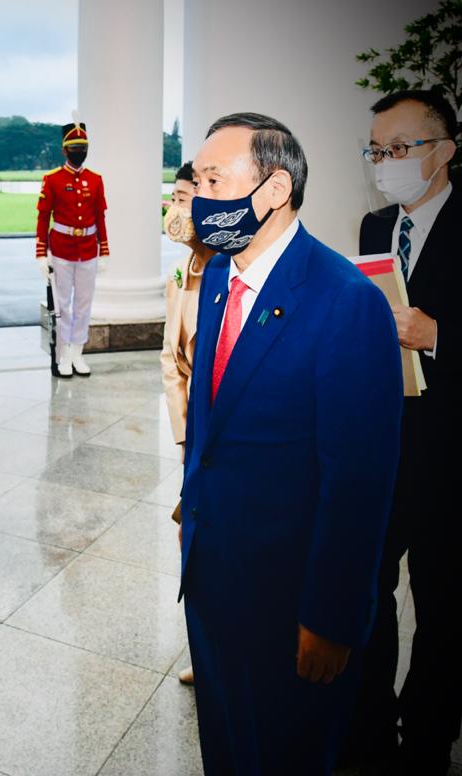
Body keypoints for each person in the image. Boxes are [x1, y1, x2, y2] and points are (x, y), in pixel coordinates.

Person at [179, 113, 403, 775]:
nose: (195, 194)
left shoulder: (346, 302)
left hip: (290, 598)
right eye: (196, 179)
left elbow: (359, 481)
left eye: (213, 179)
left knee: (287, 752)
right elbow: (211, 424)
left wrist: (331, 617)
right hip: (214, 576)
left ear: (273, 190)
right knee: (227, 742)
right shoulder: (220, 275)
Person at [343, 89, 460, 775]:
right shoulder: (372, 227)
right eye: (377, 151)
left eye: (399, 149)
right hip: (381, 442)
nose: (385, 162)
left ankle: (425, 739)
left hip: (450, 450)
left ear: (444, 152)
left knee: (445, 603)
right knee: (367, 589)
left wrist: (439, 335)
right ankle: (366, 731)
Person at [160, 160, 217, 688]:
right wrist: (183, 434)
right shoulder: (180, 272)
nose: (177, 210)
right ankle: (206, 646)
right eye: (174, 198)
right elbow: (169, 362)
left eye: (186, 198)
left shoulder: (227, 270)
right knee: (191, 538)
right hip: (195, 434)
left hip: (229, 432)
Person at [35, 117, 110, 377]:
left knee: (83, 305)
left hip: (88, 249)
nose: (80, 152)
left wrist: (105, 250)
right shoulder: (52, 179)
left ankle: (78, 353)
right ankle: (64, 354)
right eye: (75, 147)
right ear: (65, 150)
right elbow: (43, 218)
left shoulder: (95, 179)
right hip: (62, 250)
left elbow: (100, 217)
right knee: (63, 306)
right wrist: (41, 254)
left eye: (83, 147)